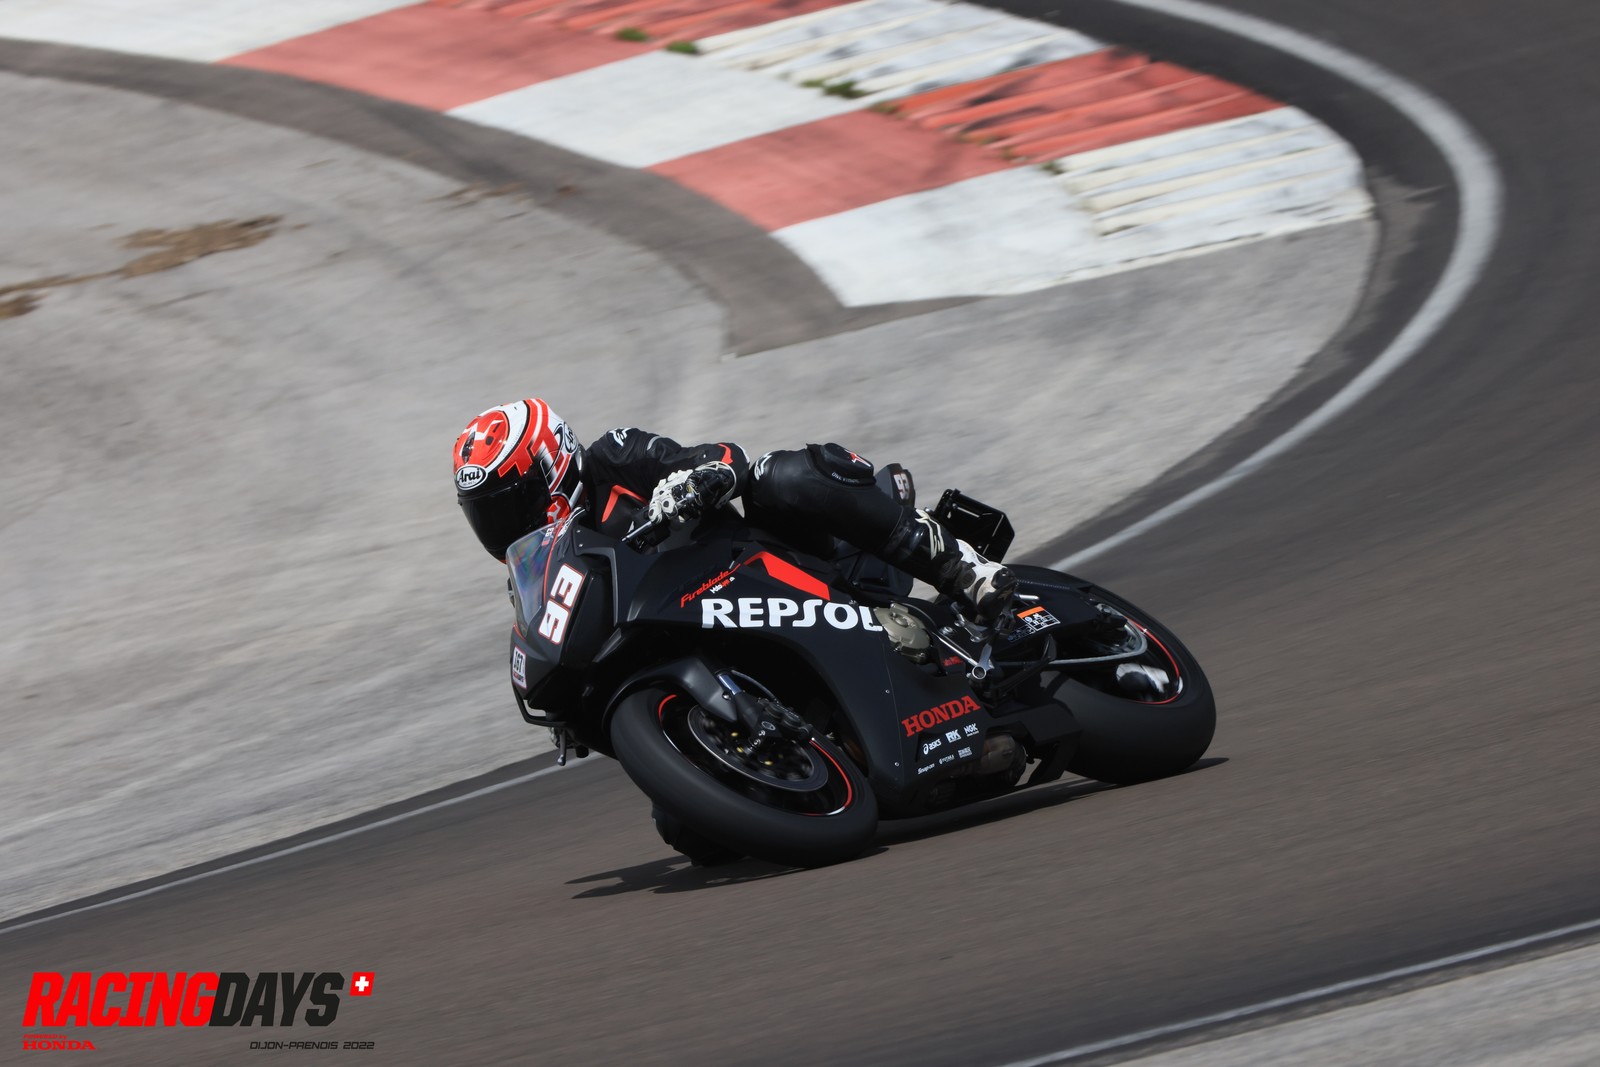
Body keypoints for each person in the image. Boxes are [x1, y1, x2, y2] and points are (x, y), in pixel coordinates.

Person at [453, 398, 1018, 621]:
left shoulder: (613, 457)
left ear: (551, 465)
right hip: (687, 631)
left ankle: (965, 571)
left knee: (776, 475)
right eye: (486, 516)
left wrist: (698, 480)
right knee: (686, 826)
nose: (504, 526)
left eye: (509, 505)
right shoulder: (540, 575)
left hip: (767, 569)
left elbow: (725, 456)